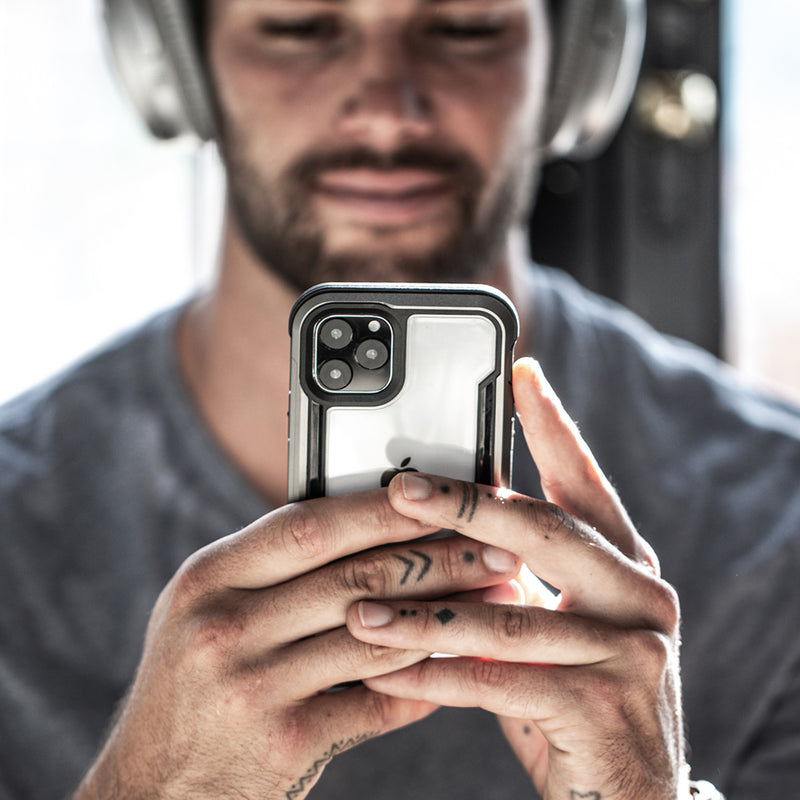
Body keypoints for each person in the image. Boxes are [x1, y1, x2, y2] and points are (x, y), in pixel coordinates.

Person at [1, 0, 798, 798]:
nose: (386, 112)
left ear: (575, 67)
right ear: (176, 68)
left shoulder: (780, 525)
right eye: (298, 28)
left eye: (467, 28)